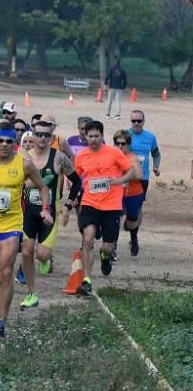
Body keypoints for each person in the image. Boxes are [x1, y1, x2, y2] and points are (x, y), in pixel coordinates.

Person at [0, 121, 51, 339]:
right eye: (0, 140)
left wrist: (45, 209)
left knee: (7, 272)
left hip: (11, 225)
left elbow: (43, 186)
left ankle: (1, 321)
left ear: (15, 143)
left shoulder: (24, 163)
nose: (4, 145)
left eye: (9, 141)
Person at [67, 120, 138, 295]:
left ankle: (105, 256)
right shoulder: (82, 156)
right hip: (90, 203)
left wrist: (121, 180)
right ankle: (87, 280)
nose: (93, 139)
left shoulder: (114, 153)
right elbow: (75, 178)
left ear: (102, 136)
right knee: (88, 239)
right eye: (90, 136)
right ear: (86, 136)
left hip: (112, 205)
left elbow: (132, 171)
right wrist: (71, 195)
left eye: (96, 136)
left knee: (108, 246)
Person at [19, 124, 79, 308]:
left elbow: (77, 182)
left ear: (52, 138)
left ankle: (45, 259)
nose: (42, 138)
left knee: (42, 254)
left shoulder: (59, 158)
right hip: (27, 211)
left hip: (50, 212)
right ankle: (31, 293)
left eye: (46, 135)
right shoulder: (22, 157)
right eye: (39, 134)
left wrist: (68, 205)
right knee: (27, 251)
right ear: (34, 136)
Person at [125, 110, 160, 255]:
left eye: (139, 121)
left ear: (144, 121)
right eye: (134, 121)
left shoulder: (150, 137)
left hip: (142, 178)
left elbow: (156, 154)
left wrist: (156, 166)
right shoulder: (125, 135)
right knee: (120, 207)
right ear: (130, 121)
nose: (136, 123)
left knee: (138, 208)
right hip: (126, 178)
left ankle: (134, 238)